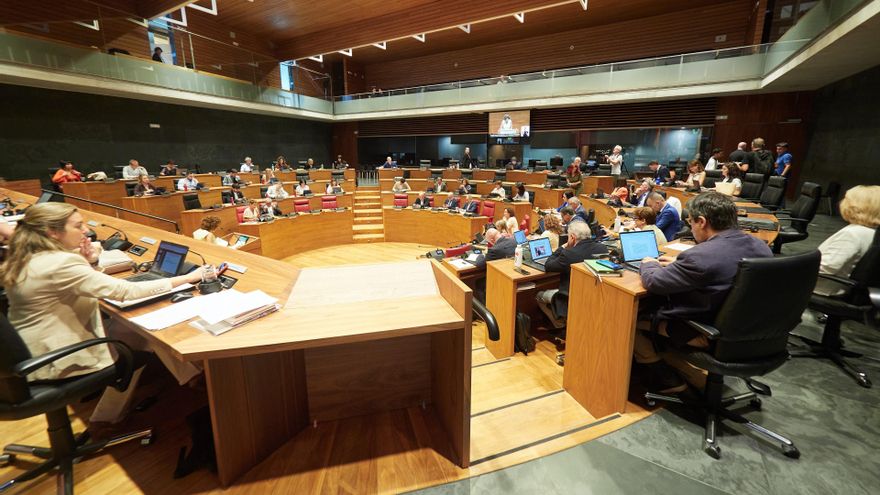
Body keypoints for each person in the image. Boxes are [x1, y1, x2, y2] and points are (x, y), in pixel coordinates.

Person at [1, 203, 203, 385]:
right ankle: (196, 378)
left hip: (30, 350)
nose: (86, 230)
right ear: (52, 232)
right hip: (57, 359)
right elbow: (125, 291)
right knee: (149, 329)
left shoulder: (27, 256)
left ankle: (189, 377)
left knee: (136, 329)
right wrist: (188, 278)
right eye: (78, 226)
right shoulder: (60, 262)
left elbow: (80, 285)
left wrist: (91, 262)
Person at [632, 192, 773, 393]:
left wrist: (649, 263)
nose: (691, 228)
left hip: (710, 333)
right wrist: (680, 265)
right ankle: (693, 376)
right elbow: (722, 266)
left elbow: (654, 282)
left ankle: (665, 378)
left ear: (702, 221)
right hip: (754, 330)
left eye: (691, 223)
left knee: (629, 321)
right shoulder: (760, 246)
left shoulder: (700, 257)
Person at [536, 222, 608, 328]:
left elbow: (548, 265)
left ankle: (560, 325)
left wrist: (563, 247)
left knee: (539, 295)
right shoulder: (602, 248)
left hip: (572, 297)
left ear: (572, 237)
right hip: (593, 296)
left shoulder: (569, 254)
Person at [815, 185, 880, 296]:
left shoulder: (853, 234)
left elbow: (826, 267)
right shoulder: (873, 232)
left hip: (822, 287)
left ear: (856, 207)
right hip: (842, 286)